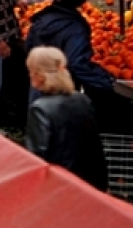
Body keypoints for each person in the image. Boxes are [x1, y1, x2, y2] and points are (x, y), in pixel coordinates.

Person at [26, 0, 115, 123]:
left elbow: (29, 47)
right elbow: (76, 62)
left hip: (38, 85)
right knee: (59, 132)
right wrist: (105, 79)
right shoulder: (76, 28)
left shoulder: (41, 18)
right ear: (83, 0)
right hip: (61, 90)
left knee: (39, 128)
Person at [25, 47, 109, 191]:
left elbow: (37, 157)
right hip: (90, 184)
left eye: (31, 71)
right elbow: (95, 147)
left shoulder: (40, 109)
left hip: (59, 186)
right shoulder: (82, 100)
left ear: (39, 75)